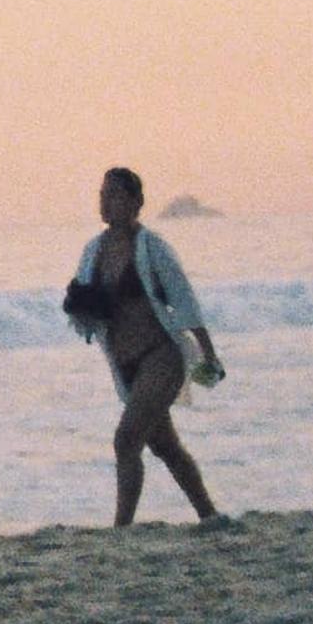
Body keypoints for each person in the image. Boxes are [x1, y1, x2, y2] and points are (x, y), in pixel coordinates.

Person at [63, 167, 228, 528]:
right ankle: (210, 516)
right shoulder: (93, 251)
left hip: (161, 356)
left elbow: (184, 299)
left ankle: (122, 528)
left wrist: (208, 353)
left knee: (126, 440)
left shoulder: (152, 247)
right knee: (165, 446)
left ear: (136, 202)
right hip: (125, 366)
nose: (106, 202)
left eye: (115, 195)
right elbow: (82, 306)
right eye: (103, 195)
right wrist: (80, 307)